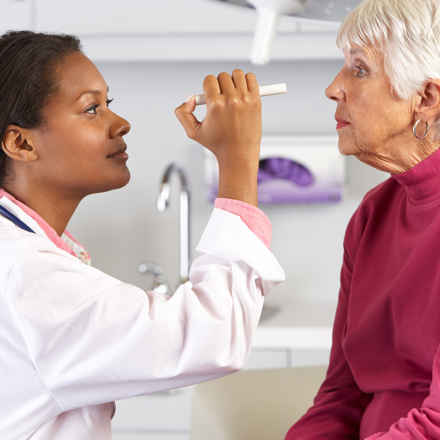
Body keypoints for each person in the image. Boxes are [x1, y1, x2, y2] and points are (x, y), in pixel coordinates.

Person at [0, 30, 284, 439]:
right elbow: (211, 336)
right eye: (92, 109)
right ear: (21, 142)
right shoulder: (28, 278)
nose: (121, 124)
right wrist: (238, 161)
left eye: (108, 104)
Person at [285, 0, 440, 438]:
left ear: (426, 98)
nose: (334, 88)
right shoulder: (373, 214)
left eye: (360, 69)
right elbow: (341, 394)